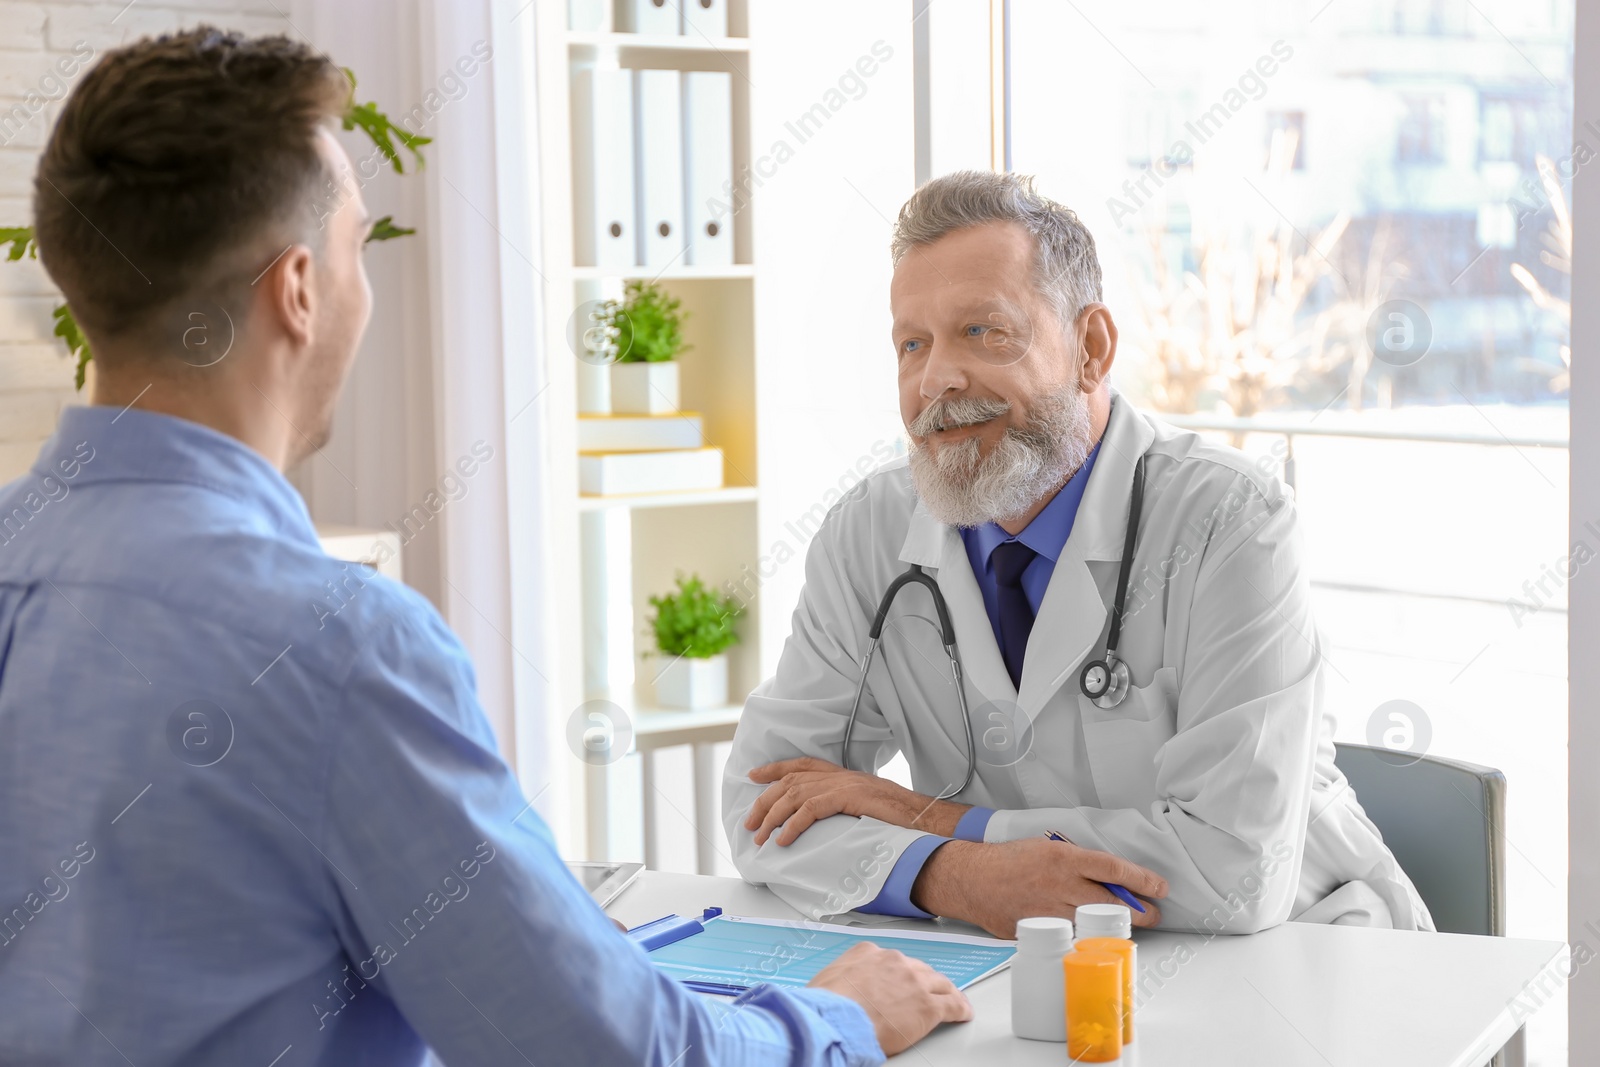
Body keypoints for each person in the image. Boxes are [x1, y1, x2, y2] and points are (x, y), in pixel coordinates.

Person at [0, 28, 971, 1066]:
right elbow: (604, 1053)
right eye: (356, 249)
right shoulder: (335, 644)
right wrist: (837, 1017)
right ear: (297, 289)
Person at [722, 170, 1434, 939]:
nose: (937, 379)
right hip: (1027, 957)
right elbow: (762, 810)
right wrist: (953, 874)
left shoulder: (1231, 521)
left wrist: (921, 816)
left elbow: (1235, 874)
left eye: (983, 331)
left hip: (1300, 950)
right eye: (912, 344)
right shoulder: (870, 531)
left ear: (1091, 348)